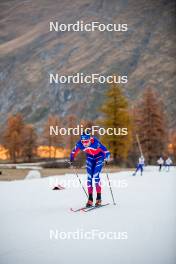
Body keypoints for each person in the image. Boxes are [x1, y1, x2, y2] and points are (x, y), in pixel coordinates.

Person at [70, 133, 110, 207]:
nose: (84, 143)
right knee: (89, 177)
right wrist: (71, 159)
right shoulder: (80, 144)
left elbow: (106, 151)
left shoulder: (95, 143)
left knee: (96, 175)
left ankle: (99, 198)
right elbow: (73, 151)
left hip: (99, 157)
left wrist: (107, 158)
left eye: (86, 141)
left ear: (89, 140)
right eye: (83, 141)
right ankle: (90, 199)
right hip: (90, 158)